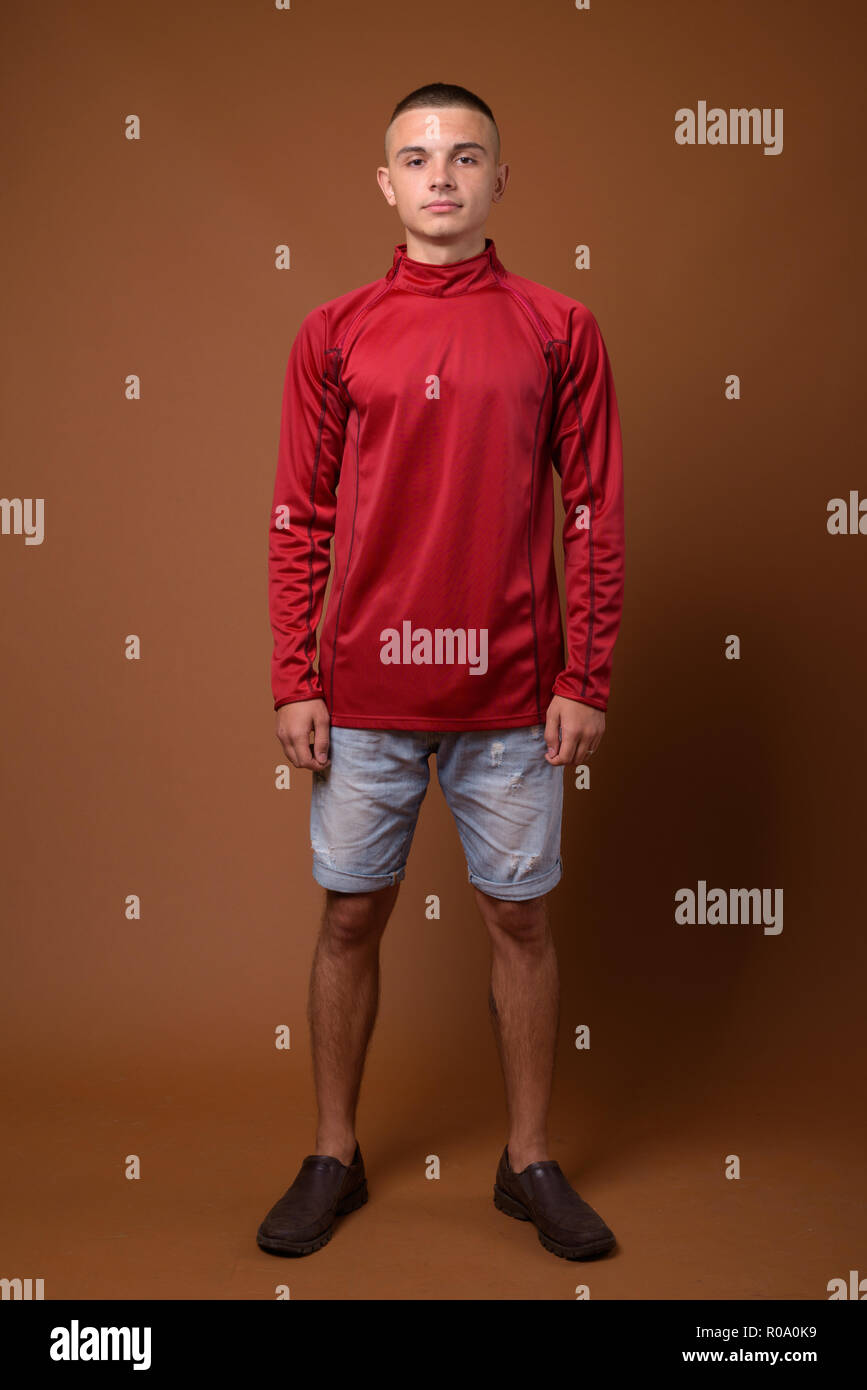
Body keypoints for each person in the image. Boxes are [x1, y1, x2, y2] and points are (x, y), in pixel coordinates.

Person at [258, 82, 625, 1263]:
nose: (442, 175)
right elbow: (298, 515)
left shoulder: (561, 326)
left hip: (514, 692)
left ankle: (528, 1160)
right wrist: (292, 675)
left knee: (518, 915)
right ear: (388, 184)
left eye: (467, 157)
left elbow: (594, 515)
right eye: (418, 157)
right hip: (364, 689)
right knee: (352, 912)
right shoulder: (334, 330)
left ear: (499, 181)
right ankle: (332, 1152)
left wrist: (588, 675)